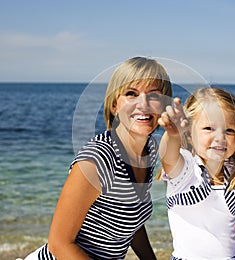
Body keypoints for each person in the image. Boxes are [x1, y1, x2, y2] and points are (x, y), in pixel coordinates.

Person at [23, 56, 173, 260]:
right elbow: (59, 245)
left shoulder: (149, 149)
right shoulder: (98, 159)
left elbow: (132, 221)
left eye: (154, 96)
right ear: (114, 105)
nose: (143, 104)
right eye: (131, 94)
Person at [158, 87, 235, 259]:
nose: (220, 137)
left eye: (229, 130)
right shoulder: (184, 168)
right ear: (189, 134)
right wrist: (172, 134)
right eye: (209, 128)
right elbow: (168, 156)